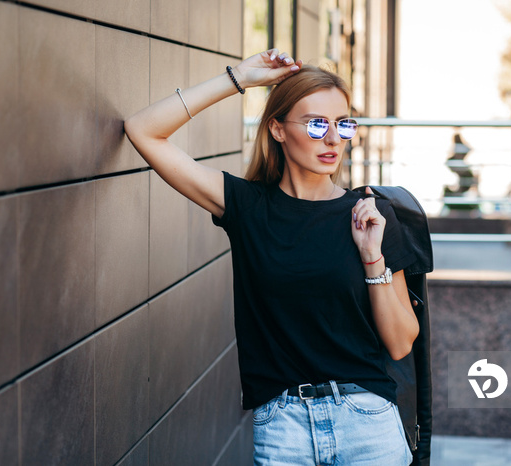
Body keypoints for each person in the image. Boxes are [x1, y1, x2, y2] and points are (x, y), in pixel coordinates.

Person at [125, 48, 419, 465]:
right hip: (284, 430)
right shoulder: (247, 206)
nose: (333, 138)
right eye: (317, 124)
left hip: (367, 424)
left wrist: (373, 258)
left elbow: (401, 342)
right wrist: (238, 78)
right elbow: (142, 130)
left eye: (342, 123)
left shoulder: (370, 214)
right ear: (278, 129)